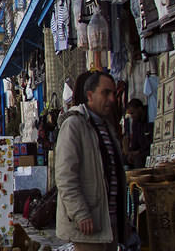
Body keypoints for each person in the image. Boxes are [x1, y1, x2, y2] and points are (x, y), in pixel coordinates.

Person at [55, 72, 127, 250]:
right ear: (90, 95)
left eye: (113, 94)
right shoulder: (74, 125)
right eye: (105, 93)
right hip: (89, 224)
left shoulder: (106, 127)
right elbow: (65, 176)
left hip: (110, 222)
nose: (111, 99)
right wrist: (80, 213)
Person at [125, 99, 152, 169]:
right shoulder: (135, 122)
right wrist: (130, 153)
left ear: (140, 109)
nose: (132, 116)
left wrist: (139, 151)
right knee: (123, 158)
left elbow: (151, 142)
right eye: (130, 114)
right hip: (140, 151)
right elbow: (134, 141)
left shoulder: (150, 117)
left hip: (149, 150)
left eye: (133, 113)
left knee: (139, 159)